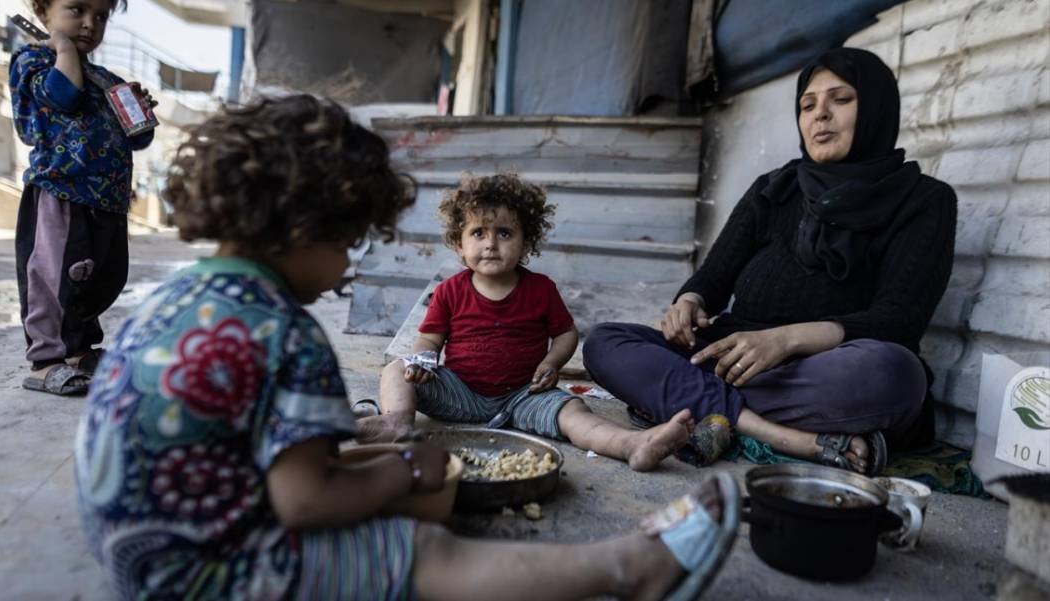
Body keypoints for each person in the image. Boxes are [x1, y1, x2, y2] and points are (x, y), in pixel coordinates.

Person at [74, 95, 741, 600]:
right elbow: (305, 501)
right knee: (425, 548)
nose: (346, 271)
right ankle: (629, 567)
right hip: (198, 573)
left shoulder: (174, 297)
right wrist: (405, 471)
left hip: (133, 547)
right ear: (303, 227)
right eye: (346, 244)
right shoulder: (284, 330)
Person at [583, 47, 958, 476]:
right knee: (604, 343)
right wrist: (688, 301)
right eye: (807, 104)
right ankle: (789, 438)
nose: (820, 116)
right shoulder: (774, 189)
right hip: (733, 358)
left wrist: (785, 340)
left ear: (876, 108)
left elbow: (900, 319)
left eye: (840, 99)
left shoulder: (925, 201)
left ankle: (692, 403)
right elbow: (713, 278)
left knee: (893, 375)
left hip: (818, 371)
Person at [357, 173, 700, 472]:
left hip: (524, 395)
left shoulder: (540, 289)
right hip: (459, 392)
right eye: (478, 233)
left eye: (504, 233)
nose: (490, 243)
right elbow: (429, 341)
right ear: (459, 244)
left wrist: (552, 363)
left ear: (526, 244)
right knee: (396, 368)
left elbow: (566, 334)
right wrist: (422, 363)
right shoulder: (449, 291)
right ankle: (397, 420)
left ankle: (631, 445)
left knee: (573, 411)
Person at [9, 0, 157, 395]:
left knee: (101, 277)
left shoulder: (104, 77)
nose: (90, 24)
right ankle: (46, 361)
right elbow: (62, 96)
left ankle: (78, 351)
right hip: (61, 191)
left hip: (107, 198)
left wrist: (137, 108)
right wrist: (64, 50)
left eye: (101, 16)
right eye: (76, 10)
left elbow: (138, 136)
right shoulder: (34, 60)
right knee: (56, 278)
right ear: (43, 12)